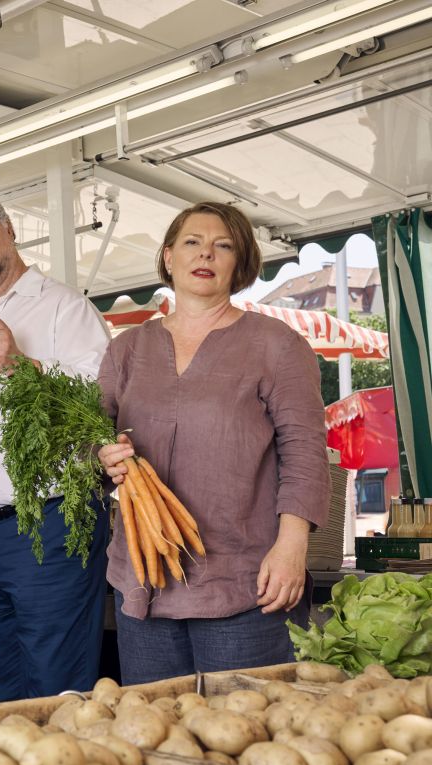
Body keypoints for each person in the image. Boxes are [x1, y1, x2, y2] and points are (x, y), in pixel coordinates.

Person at [97, 201, 329, 684]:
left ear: (239, 263)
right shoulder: (126, 350)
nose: (206, 254)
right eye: (192, 243)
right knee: (156, 732)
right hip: (145, 579)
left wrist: (292, 547)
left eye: (223, 246)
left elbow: (305, 452)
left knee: (251, 733)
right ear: (167, 257)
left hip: (245, 579)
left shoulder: (277, 345)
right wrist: (104, 458)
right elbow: (92, 443)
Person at [0, 188, 112, 703]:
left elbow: (101, 402)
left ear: (9, 229)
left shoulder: (63, 306)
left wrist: (19, 363)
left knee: (58, 683)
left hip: (52, 520)